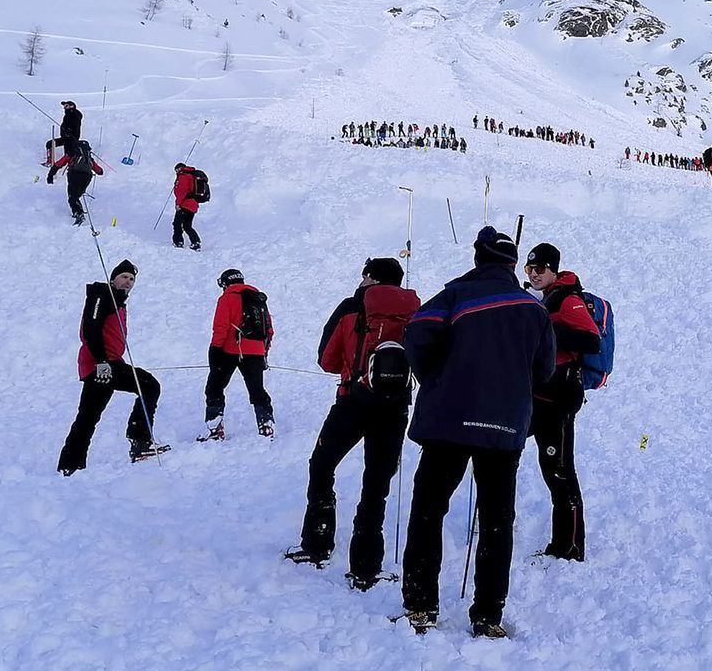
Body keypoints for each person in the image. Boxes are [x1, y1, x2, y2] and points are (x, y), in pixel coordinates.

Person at [398, 227, 555, 638]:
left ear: (478, 259)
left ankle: (420, 606)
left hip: (448, 421)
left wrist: (433, 376)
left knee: (429, 511)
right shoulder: (535, 310)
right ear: (511, 264)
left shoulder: (455, 296)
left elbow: (416, 332)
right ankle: (487, 615)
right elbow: (544, 371)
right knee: (497, 520)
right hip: (504, 426)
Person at [285, 258, 421, 590]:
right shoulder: (413, 311)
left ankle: (317, 541)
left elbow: (327, 359)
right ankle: (365, 566)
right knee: (377, 484)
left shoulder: (352, 307)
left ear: (370, 278)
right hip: (395, 409)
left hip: (353, 400)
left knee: (322, 464)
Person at [523, 243, 601, 563]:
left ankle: (569, 547)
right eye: (529, 269)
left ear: (554, 269)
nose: (534, 274)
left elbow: (591, 339)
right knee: (540, 462)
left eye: (540, 268)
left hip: (559, 399)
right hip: (539, 394)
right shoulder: (544, 299)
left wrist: (549, 329)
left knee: (559, 470)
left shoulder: (568, 300)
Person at [57, 260, 167, 475]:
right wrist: (103, 363)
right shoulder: (102, 295)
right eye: (124, 276)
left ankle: (70, 466)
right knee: (149, 386)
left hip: (105, 364)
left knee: (88, 417)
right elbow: (90, 330)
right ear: (113, 278)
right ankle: (140, 442)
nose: (128, 281)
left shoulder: (117, 301)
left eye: (132, 279)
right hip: (102, 365)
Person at [200, 269, 276, 441]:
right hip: (256, 351)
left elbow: (221, 327)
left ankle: (215, 428)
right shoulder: (258, 299)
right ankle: (266, 425)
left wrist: (215, 350)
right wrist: (264, 351)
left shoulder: (227, 298)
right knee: (257, 389)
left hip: (229, 350)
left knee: (214, 387)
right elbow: (268, 330)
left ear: (225, 283)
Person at [46, 139, 104, 225]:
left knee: (72, 197)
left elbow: (59, 164)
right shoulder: (89, 158)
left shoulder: (71, 154)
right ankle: (78, 211)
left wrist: (50, 175)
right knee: (76, 195)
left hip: (74, 175)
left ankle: (78, 213)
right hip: (87, 177)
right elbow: (100, 171)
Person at [172, 163, 203, 250]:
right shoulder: (192, 176)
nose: (176, 172)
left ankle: (178, 242)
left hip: (185, 204)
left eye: (176, 170)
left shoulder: (183, 176)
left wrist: (178, 204)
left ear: (180, 168)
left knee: (177, 223)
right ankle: (196, 242)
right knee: (187, 225)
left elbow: (181, 191)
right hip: (193, 205)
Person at [44, 100, 83, 165]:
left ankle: (71, 166)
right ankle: (50, 161)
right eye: (64, 106)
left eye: (66, 106)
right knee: (50, 144)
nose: (64, 107)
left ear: (72, 106)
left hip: (71, 139)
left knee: (68, 155)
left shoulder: (75, 115)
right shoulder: (67, 115)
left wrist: (69, 131)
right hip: (65, 138)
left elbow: (75, 126)